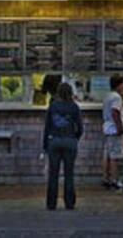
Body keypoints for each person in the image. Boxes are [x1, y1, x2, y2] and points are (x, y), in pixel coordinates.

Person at [43, 82, 83, 210]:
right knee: (69, 173)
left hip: (54, 141)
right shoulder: (74, 107)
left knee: (53, 174)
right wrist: (75, 138)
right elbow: (80, 128)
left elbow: (47, 127)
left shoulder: (53, 107)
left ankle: (51, 203)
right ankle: (69, 202)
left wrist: (45, 145)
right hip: (70, 140)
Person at [101, 75, 123, 190]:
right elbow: (115, 112)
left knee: (107, 155)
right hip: (114, 129)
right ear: (119, 84)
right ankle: (114, 180)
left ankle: (106, 178)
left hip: (107, 128)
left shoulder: (107, 96)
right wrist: (120, 127)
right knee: (114, 157)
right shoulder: (117, 97)